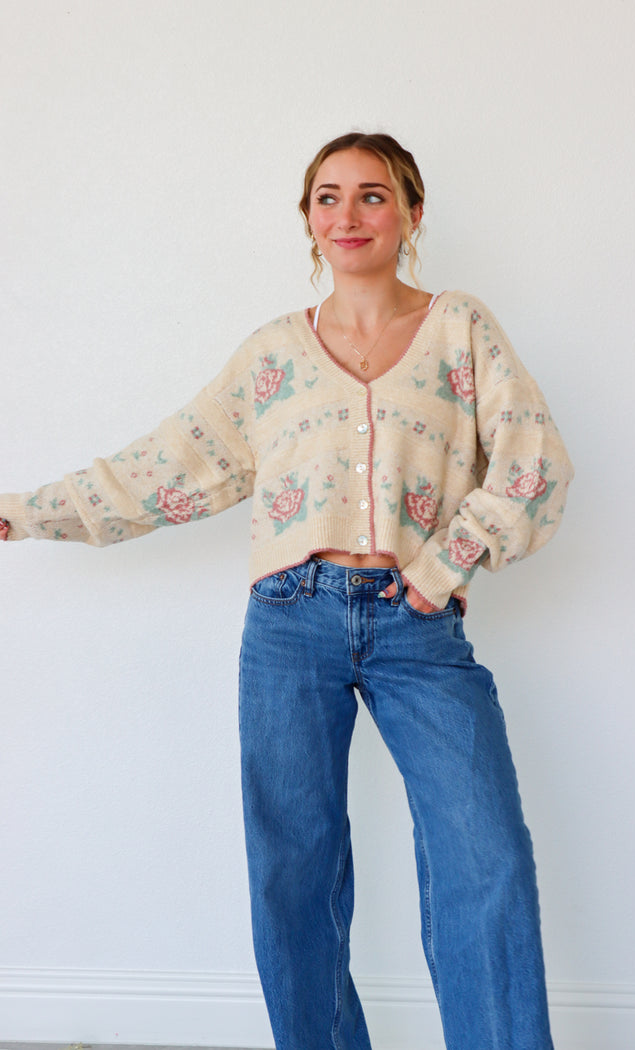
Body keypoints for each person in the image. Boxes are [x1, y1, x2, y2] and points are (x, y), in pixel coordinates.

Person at [0, 131, 573, 1050]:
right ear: (308, 220)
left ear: (412, 213)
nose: (349, 214)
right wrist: (23, 513)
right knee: (293, 874)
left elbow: (533, 462)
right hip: (287, 625)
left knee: (486, 859)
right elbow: (165, 467)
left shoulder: (460, 328)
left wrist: (442, 568)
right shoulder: (272, 356)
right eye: (327, 197)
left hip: (418, 626)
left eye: (373, 195)